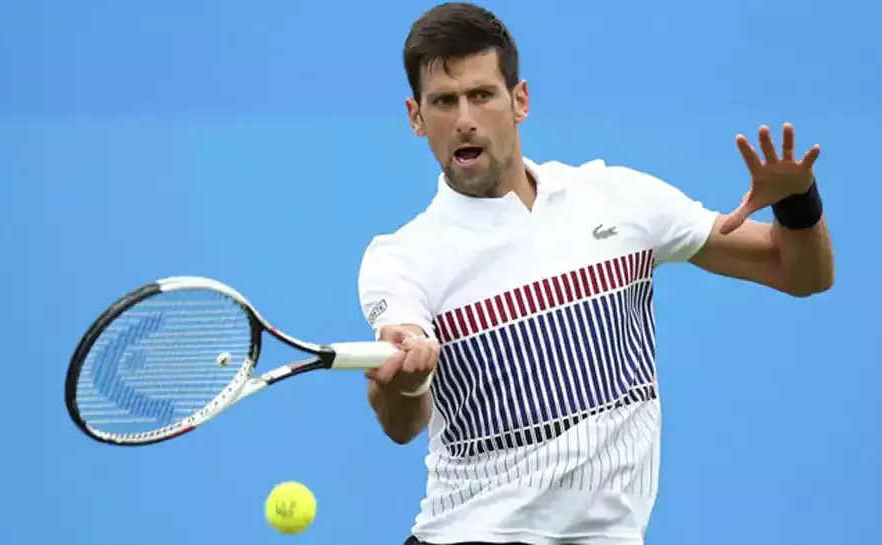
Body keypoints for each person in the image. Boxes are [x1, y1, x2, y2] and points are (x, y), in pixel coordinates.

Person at [357, 3, 835, 544]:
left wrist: (798, 203)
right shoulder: (401, 257)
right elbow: (401, 422)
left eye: (482, 95)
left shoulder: (616, 198)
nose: (464, 117)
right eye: (444, 101)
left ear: (520, 101)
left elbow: (798, 273)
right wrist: (409, 374)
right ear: (416, 117)